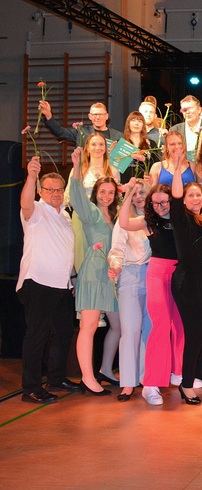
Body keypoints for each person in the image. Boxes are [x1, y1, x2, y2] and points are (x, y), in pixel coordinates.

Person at [17, 157, 77, 404]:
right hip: (39, 282)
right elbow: (25, 202)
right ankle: (30, 388)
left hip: (62, 286)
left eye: (59, 190)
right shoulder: (36, 210)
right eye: (50, 189)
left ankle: (56, 377)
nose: (55, 193)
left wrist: (70, 282)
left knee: (62, 334)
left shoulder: (65, 215)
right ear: (41, 192)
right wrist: (31, 175)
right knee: (37, 336)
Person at [119, 182, 182, 406]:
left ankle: (177, 372)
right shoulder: (149, 221)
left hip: (180, 273)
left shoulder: (180, 218)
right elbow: (124, 222)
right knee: (161, 326)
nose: (160, 206)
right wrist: (128, 195)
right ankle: (150, 384)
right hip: (157, 273)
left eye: (164, 202)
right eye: (155, 203)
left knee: (180, 325)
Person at [68, 148, 118, 397]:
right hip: (93, 272)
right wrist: (77, 166)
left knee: (117, 325)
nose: (107, 195)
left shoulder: (116, 216)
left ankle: (106, 370)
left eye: (111, 192)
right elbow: (76, 198)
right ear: (96, 193)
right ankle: (87, 377)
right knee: (88, 326)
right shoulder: (91, 212)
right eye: (102, 191)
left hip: (110, 276)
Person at [169, 168, 202, 405]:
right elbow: (175, 199)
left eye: (199, 196)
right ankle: (186, 384)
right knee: (195, 334)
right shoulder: (181, 218)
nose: (196, 199)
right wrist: (178, 170)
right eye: (191, 196)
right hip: (188, 282)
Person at [107, 180, 151, 401]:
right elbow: (115, 250)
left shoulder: (157, 219)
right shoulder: (124, 222)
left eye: (142, 192)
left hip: (154, 277)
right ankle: (127, 382)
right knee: (130, 331)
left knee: (149, 331)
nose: (138, 197)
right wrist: (115, 266)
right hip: (131, 275)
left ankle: (147, 378)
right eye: (134, 193)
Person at [39, 100, 122, 145]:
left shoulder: (118, 136)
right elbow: (60, 132)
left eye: (100, 114)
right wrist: (48, 115)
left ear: (107, 116)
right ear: (90, 117)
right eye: (94, 114)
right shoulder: (82, 132)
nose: (97, 117)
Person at [117, 111, 155, 183]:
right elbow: (115, 167)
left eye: (140, 121)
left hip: (144, 185)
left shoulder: (151, 144)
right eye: (133, 120)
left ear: (143, 125)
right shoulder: (120, 144)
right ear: (128, 123)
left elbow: (154, 166)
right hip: (124, 184)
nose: (136, 123)